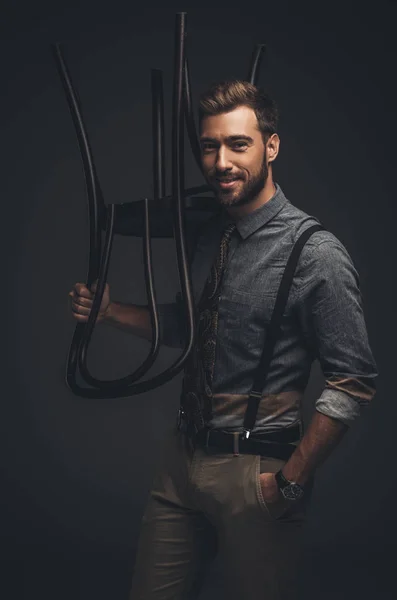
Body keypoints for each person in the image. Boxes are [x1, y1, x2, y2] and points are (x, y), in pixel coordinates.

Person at [68, 80, 378, 600]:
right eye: (210, 146)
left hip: (256, 473)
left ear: (270, 146)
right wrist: (110, 313)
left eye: (238, 144)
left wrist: (291, 480)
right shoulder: (214, 231)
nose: (221, 162)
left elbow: (353, 381)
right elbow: (197, 327)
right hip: (180, 463)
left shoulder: (315, 252)